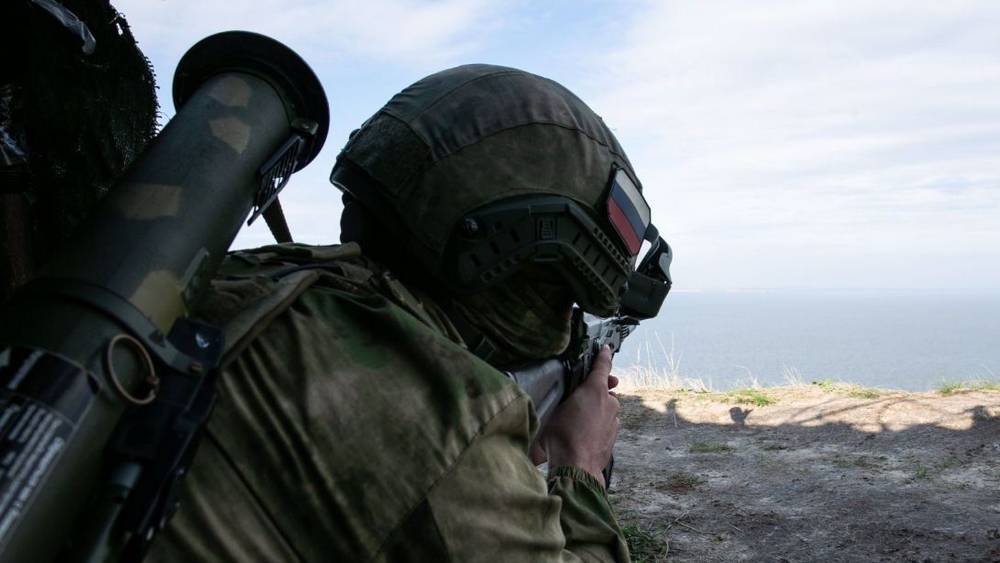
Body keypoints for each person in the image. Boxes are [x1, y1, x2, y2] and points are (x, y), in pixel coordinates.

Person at [148, 64, 650, 562]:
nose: (563, 321)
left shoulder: (264, 275)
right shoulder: (449, 422)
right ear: (504, 257)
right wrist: (581, 463)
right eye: (561, 297)